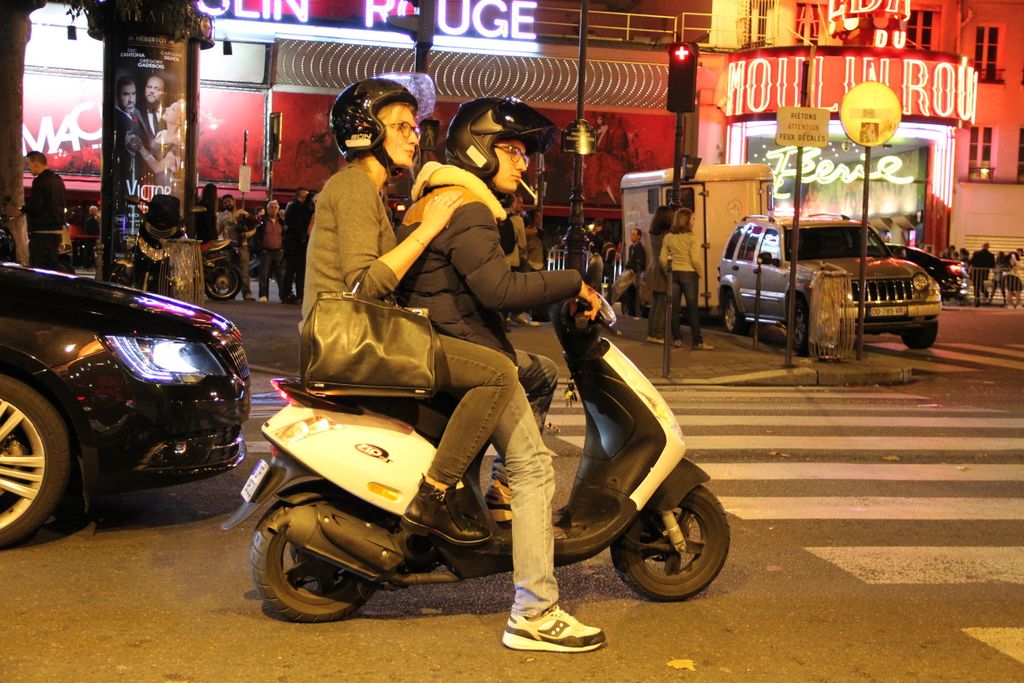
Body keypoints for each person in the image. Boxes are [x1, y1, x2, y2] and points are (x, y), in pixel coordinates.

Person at [397, 96, 606, 653]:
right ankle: (534, 610)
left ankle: (496, 496)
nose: (522, 162)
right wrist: (572, 282)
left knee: (539, 374)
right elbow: (499, 290)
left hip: (453, 341)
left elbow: (486, 281)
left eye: (524, 153)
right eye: (511, 151)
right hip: (469, 352)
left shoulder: (451, 199)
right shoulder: (466, 206)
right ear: (478, 150)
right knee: (535, 466)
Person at [302, 77, 518, 546]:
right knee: (498, 373)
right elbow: (364, 283)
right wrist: (430, 227)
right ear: (368, 132)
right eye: (401, 126)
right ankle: (434, 496)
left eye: (414, 127)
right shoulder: (354, 186)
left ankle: (453, 492)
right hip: (353, 342)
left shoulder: (368, 191)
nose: (414, 137)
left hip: (360, 336)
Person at [660, 207, 712, 350]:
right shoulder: (692, 238)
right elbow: (695, 259)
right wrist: (700, 273)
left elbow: (662, 259)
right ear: (686, 221)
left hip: (674, 273)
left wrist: (668, 272)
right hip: (689, 273)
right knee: (692, 309)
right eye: (692, 218)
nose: (694, 221)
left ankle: (677, 338)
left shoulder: (668, 237)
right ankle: (697, 341)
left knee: (674, 308)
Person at [23, 151, 66, 270]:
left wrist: (24, 209)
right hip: (57, 231)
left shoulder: (39, 181)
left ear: (36, 164)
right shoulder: (58, 180)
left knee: (39, 268)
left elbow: (36, 207)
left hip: (42, 232)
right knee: (52, 266)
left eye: (28, 164)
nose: (28, 168)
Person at [645, 205, 674, 344]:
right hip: (661, 269)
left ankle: (651, 331)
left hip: (653, 266)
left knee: (655, 303)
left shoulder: (654, 233)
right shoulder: (667, 235)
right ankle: (658, 333)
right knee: (662, 304)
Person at [217, 194, 255, 300]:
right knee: (230, 270)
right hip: (228, 246)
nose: (227, 204)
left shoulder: (243, 213)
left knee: (244, 271)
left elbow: (253, 228)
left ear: (234, 201)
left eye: (229, 201)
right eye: (225, 203)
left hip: (242, 246)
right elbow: (218, 230)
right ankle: (231, 292)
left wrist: (246, 234)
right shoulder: (222, 216)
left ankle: (247, 293)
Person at [282, 187, 313, 304]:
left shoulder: (291, 206)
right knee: (299, 270)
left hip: (292, 242)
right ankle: (298, 295)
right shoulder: (300, 207)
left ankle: (288, 294)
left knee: (291, 270)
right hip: (298, 242)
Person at [609, 227, 646, 317]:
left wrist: (633, 270)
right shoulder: (632, 247)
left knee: (618, 287)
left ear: (639, 236)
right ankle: (630, 311)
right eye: (631, 234)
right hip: (630, 270)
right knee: (629, 291)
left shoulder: (638, 247)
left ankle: (609, 302)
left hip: (632, 272)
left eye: (633, 235)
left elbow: (640, 262)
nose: (631, 236)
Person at [255, 200, 286, 302]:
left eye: (275, 208)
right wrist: (260, 248)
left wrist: (283, 248)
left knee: (281, 275)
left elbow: (285, 236)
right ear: (267, 209)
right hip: (266, 251)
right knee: (264, 274)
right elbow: (257, 236)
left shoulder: (282, 222)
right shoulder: (262, 222)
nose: (273, 210)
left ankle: (283, 295)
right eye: (271, 207)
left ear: (278, 210)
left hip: (279, 251)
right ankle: (263, 295)